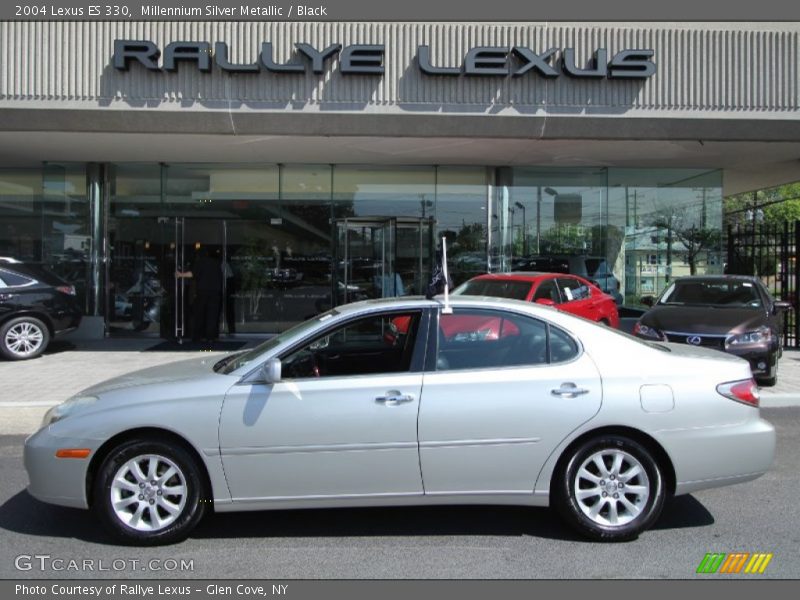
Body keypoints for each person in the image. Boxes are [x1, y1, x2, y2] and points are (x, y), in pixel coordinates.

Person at [176, 247, 223, 343]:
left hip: (203, 291)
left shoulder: (200, 262)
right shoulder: (216, 263)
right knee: (212, 315)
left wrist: (180, 275)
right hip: (215, 291)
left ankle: (197, 336)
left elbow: (192, 274)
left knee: (200, 314)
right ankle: (211, 337)